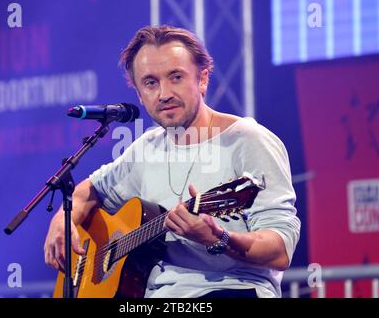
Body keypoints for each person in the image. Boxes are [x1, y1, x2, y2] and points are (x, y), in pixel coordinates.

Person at [44, 25, 300, 298]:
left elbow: (281, 249)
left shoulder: (247, 140)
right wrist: (61, 219)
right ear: (140, 95)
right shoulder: (146, 147)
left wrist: (219, 239)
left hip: (230, 289)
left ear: (202, 80)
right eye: (151, 83)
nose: (164, 93)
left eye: (176, 77)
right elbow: (90, 190)